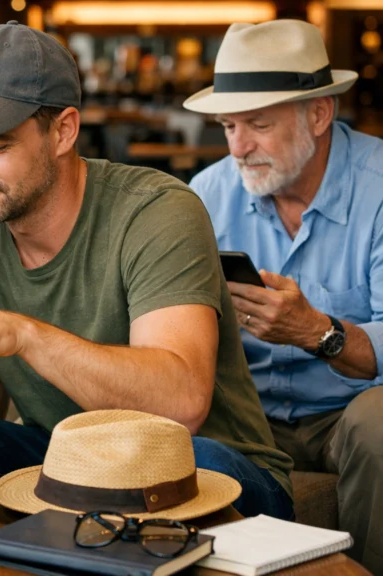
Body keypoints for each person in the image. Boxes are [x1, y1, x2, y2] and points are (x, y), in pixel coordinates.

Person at [0, 21, 294, 520]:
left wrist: (24, 334)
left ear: (63, 130)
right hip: (67, 461)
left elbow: (181, 404)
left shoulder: (158, 210)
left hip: (213, 465)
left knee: (188, 459)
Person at [185, 20, 383, 571]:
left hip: (346, 414)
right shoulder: (205, 195)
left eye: (258, 124)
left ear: (318, 114)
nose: (238, 147)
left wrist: (319, 332)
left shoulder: (380, 187)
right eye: (227, 126)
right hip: (247, 414)